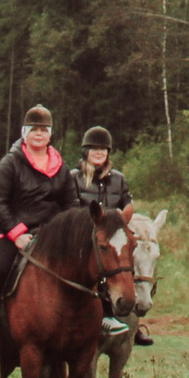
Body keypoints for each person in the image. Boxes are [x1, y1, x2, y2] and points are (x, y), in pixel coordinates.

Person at [0, 105, 97, 354]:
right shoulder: (10, 163)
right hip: (8, 230)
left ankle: (103, 319)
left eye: (44, 130)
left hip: (47, 234)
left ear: (50, 135)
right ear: (24, 133)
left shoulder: (61, 168)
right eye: (34, 130)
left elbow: (70, 204)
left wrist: (62, 233)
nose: (39, 134)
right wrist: (16, 234)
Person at [72, 126, 151, 345]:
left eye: (103, 149)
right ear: (85, 151)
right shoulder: (74, 177)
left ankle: (133, 323)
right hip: (86, 236)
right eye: (94, 149)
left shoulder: (119, 178)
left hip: (114, 233)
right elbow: (71, 208)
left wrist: (125, 215)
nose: (99, 153)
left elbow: (127, 203)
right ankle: (104, 316)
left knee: (135, 262)